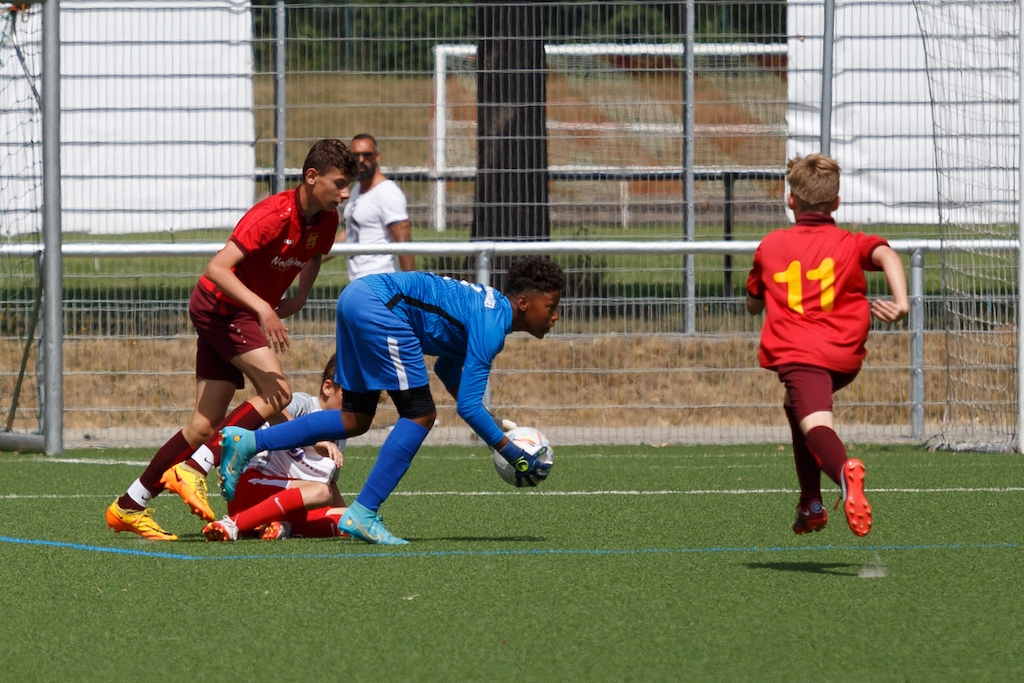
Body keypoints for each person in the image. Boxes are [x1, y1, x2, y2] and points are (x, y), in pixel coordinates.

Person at [105, 139, 358, 541]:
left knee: (202, 426)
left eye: (349, 186)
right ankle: (194, 468)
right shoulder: (272, 215)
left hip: (232, 311)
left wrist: (301, 296)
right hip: (222, 307)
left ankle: (129, 505)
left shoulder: (325, 220)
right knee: (277, 392)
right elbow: (217, 269)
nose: (345, 194)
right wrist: (263, 308)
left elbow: (314, 255)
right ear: (312, 177)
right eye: (339, 183)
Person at [218, 256, 566, 545]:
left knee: (354, 418)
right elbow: (468, 407)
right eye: (551, 306)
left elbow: (447, 367)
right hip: (382, 307)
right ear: (524, 303)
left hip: (357, 297)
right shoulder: (492, 326)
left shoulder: (488, 311)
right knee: (420, 415)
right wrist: (511, 452)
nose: (555, 316)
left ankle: (248, 441)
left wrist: (490, 424)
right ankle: (363, 512)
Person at [745, 153, 909, 538]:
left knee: (817, 425)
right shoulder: (850, 243)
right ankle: (811, 503)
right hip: (844, 355)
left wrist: (756, 300)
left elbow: (753, 303)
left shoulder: (771, 245)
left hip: (801, 355)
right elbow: (886, 254)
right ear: (836, 203)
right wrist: (902, 303)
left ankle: (843, 473)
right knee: (796, 408)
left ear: (791, 200)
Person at [203, 355, 350, 542]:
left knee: (349, 518)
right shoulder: (305, 405)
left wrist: (348, 513)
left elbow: (331, 485)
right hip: (251, 488)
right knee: (321, 492)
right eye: (349, 396)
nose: (353, 405)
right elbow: (273, 410)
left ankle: (282, 527)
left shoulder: (341, 433)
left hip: (285, 501)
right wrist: (313, 440)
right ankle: (233, 525)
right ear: (328, 387)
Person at [340, 133, 415, 279]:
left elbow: (404, 245)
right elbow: (350, 233)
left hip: (379, 281)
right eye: (355, 156)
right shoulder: (357, 189)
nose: (361, 160)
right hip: (359, 281)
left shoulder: (387, 192)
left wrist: (411, 285)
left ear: (377, 156)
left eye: (367, 155)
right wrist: (313, 259)